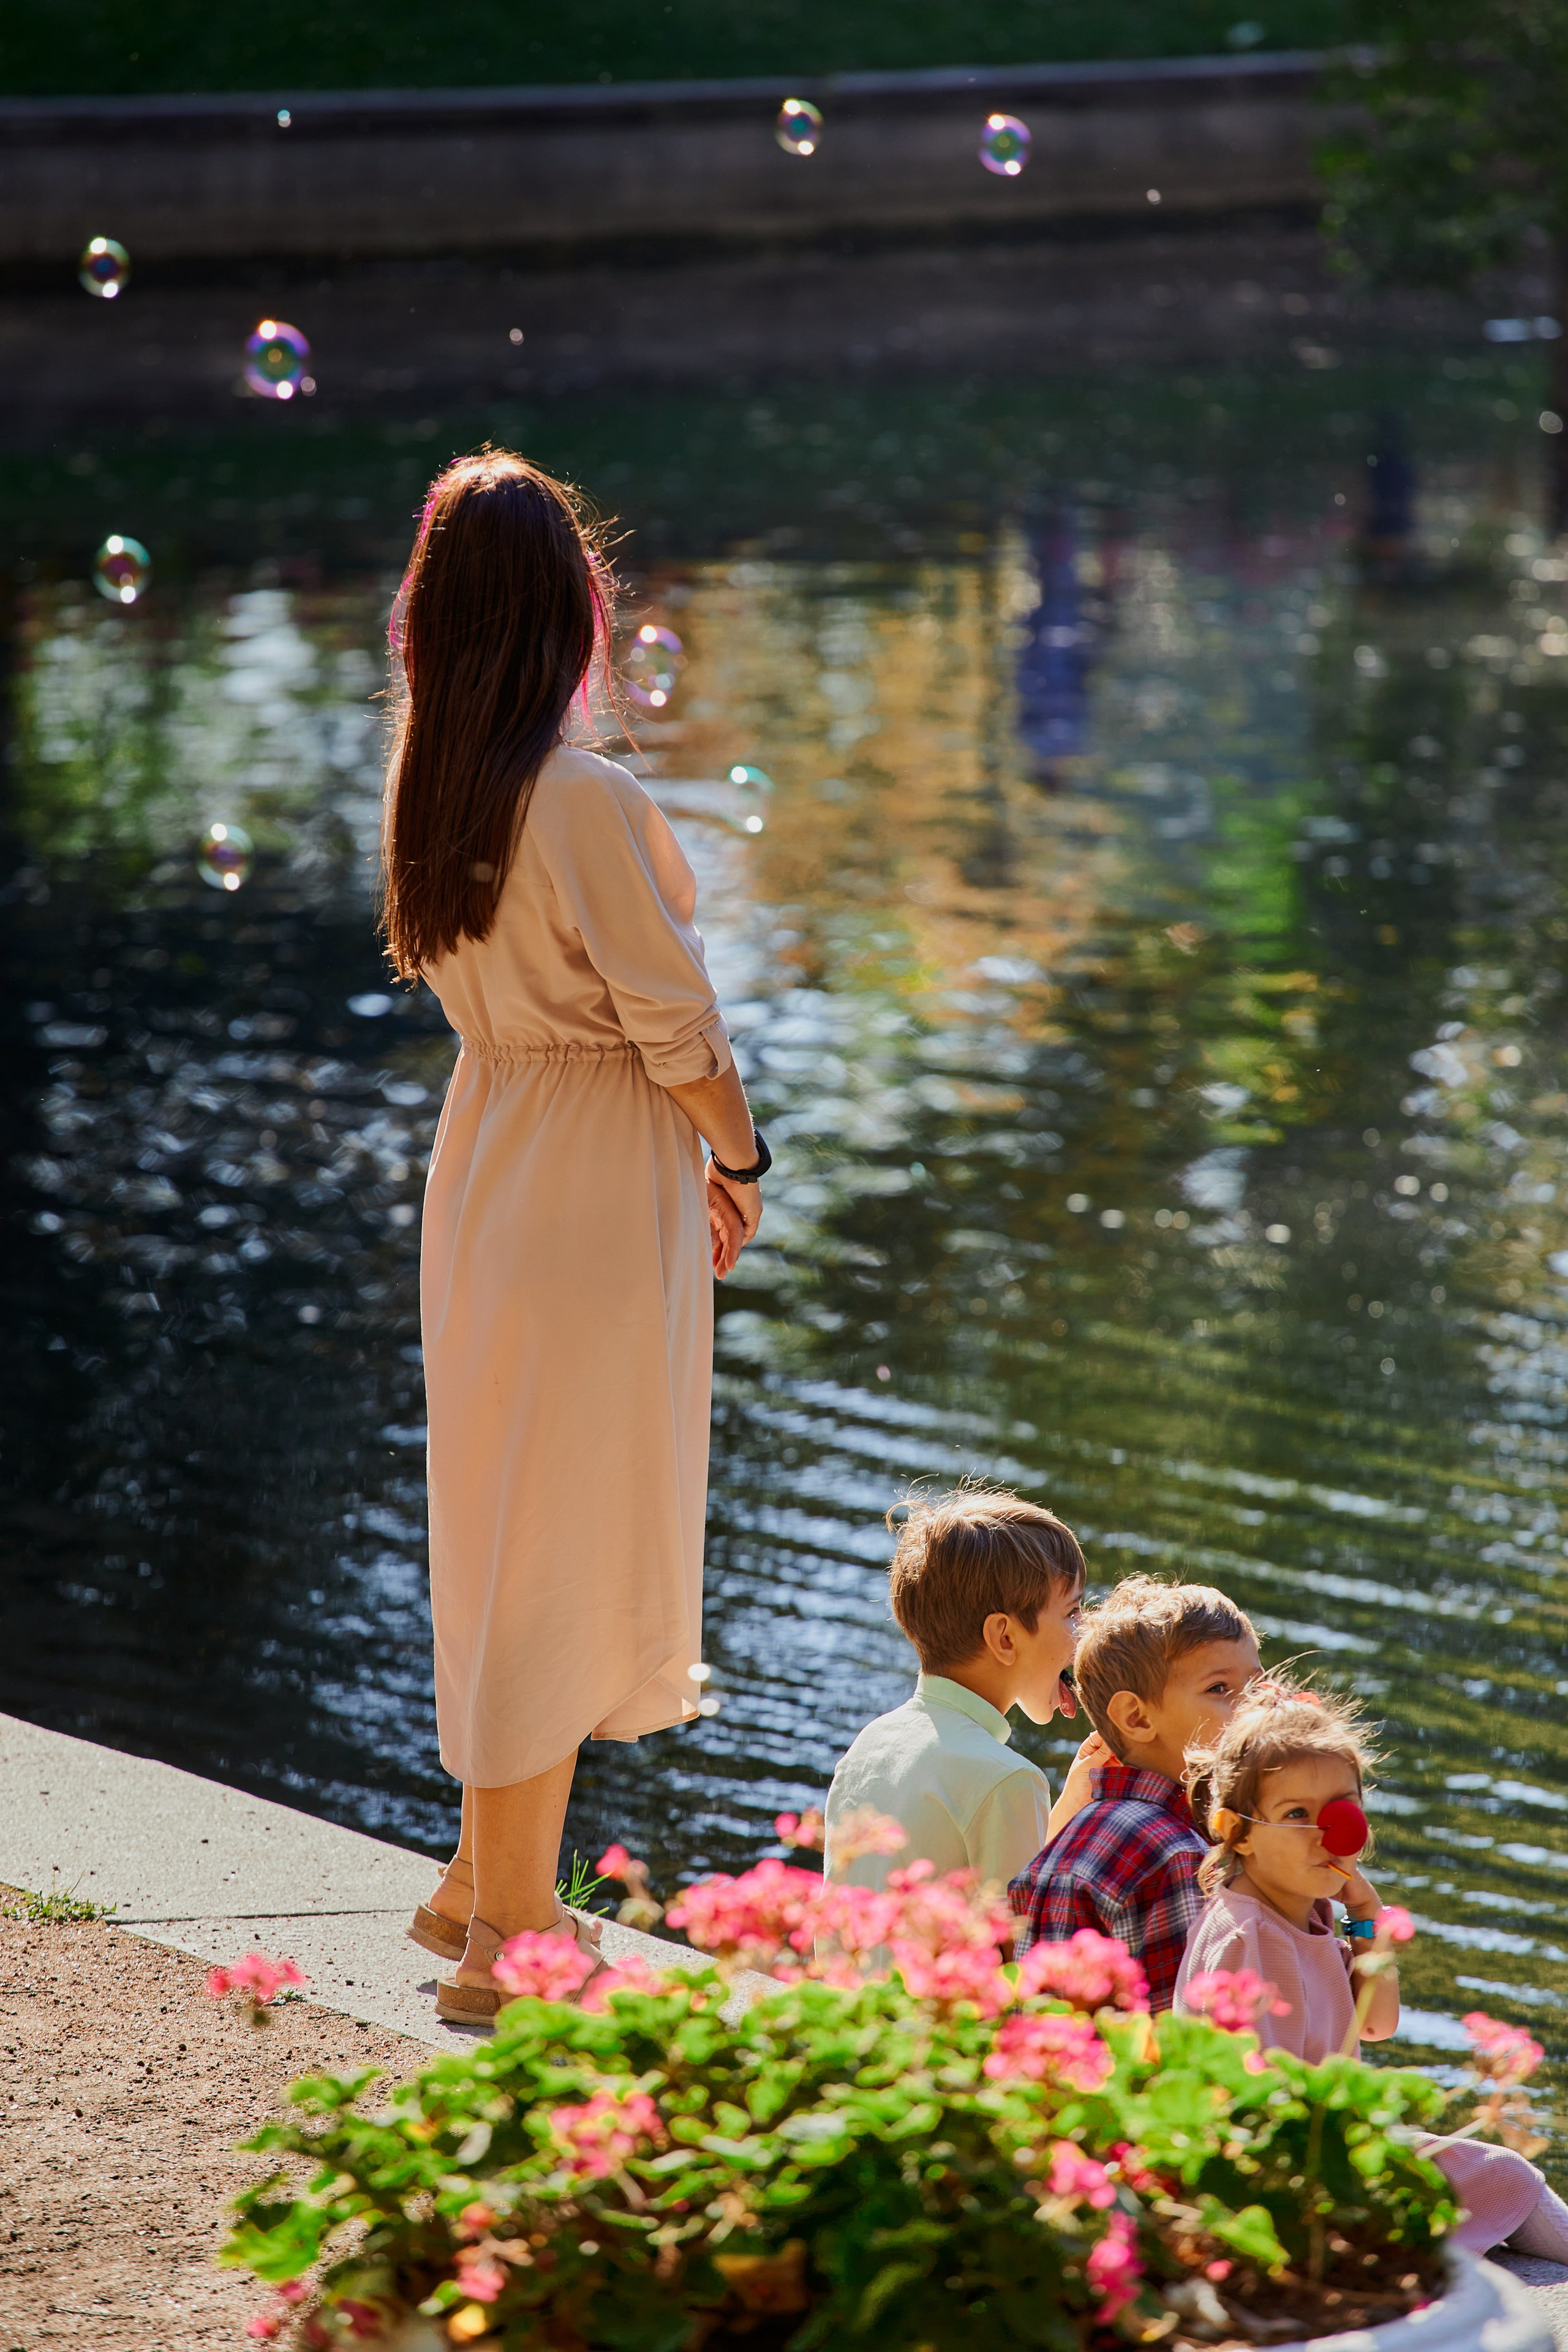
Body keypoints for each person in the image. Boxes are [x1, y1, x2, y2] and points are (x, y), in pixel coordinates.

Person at [380, 448, 766, 2024]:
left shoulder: (434, 781)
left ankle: (476, 1881)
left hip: (491, 1155)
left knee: (500, 1520)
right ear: (565, 612)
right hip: (597, 1175)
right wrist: (738, 1154)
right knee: (560, 1531)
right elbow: (675, 1025)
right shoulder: (583, 792)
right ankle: (510, 1944)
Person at [1176, 1681, 1568, 2262]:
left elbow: (1377, 2023)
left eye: (1341, 1810)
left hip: (1325, 2149)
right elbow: (1258, 2106)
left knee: (1494, 2175)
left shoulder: (1302, 1912)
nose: (1329, 1835)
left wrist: (1364, 1915)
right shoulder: (1250, 1938)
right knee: (1503, 2172)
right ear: (1238, 1832)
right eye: (1297, 1814)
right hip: (1290, 2174)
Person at [1008, 1574, 1259, 2009]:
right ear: (1137, 1718)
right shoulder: (1181, 1859)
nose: (1252, 1710)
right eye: (1219, 1689)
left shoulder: (1070, 1837)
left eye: (1255, 1687)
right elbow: (1192, 2031)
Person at [823, 1487, 1088, 1899]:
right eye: (1072, 1613)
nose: (1085, 1634)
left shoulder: (871, 1745)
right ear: (1004, 1638)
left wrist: (1069, 1807)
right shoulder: (1010, 1782)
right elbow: (1020, 1939)